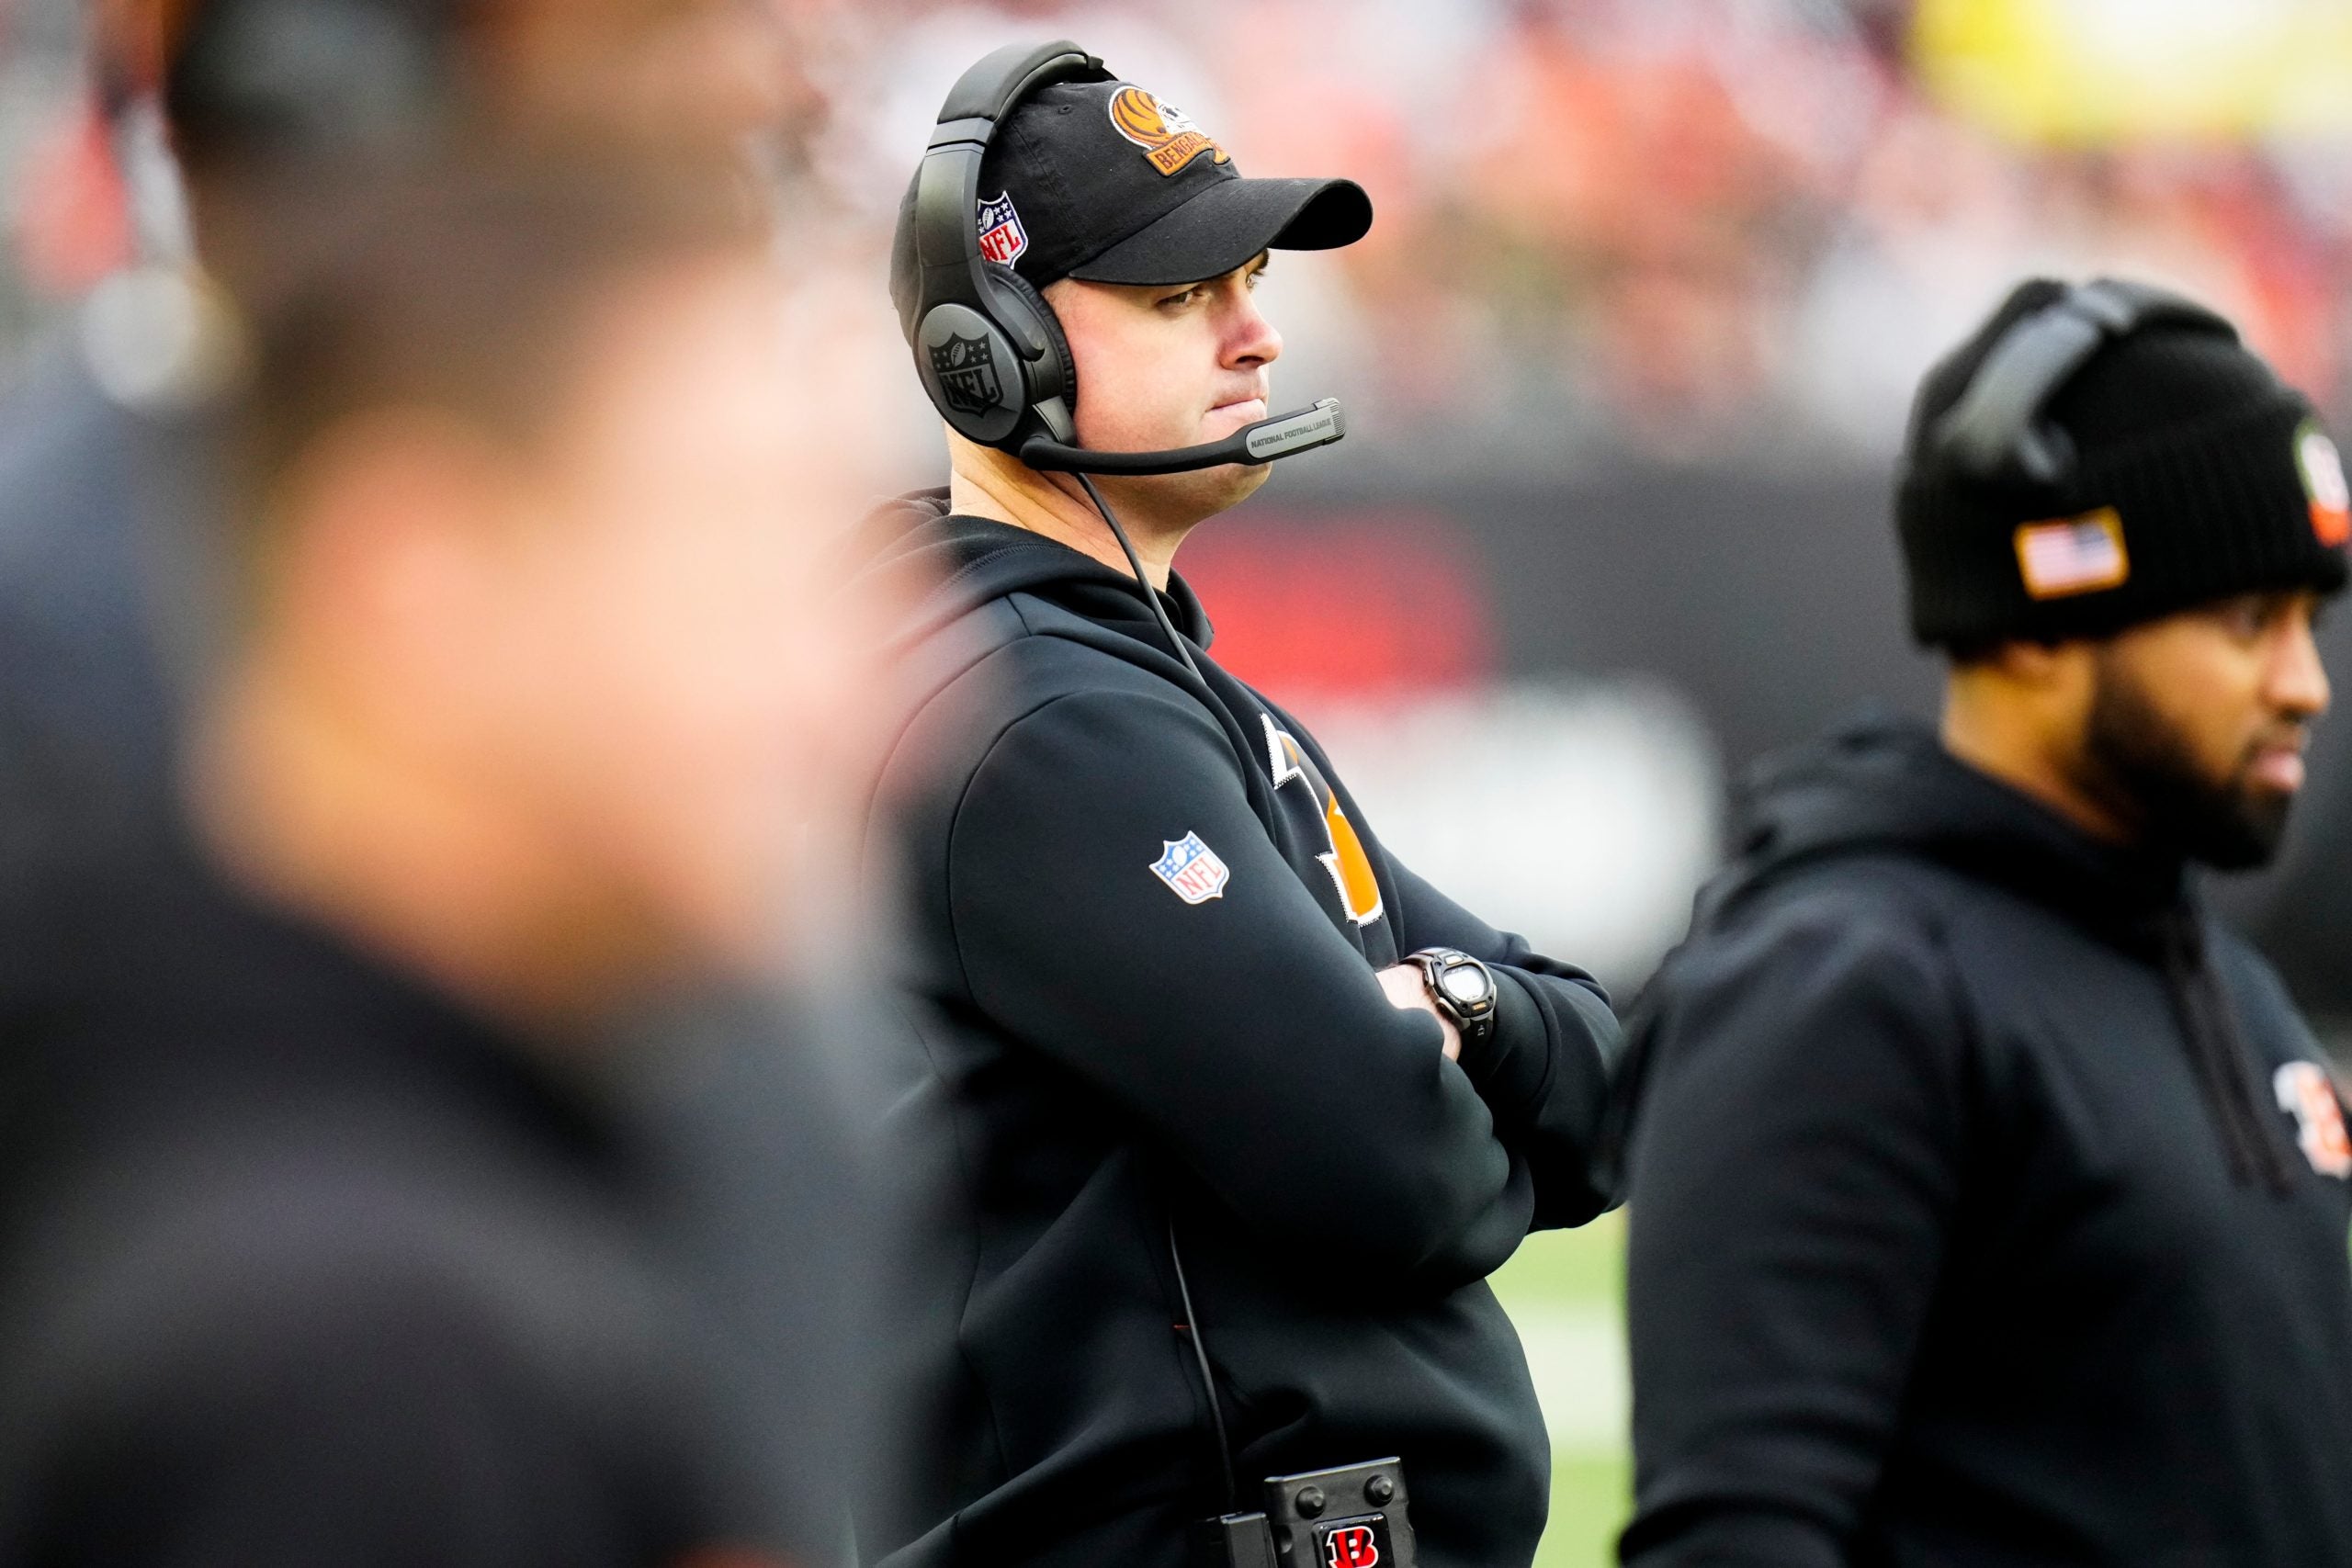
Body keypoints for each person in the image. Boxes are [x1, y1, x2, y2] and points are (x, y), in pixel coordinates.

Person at [0, 152, 873, 1567]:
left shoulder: (197, 1154)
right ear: (415, 575)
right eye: (749, 545)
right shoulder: (360, 1363)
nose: (862, 688)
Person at [847, 41, 1625, 1568]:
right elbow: (1393, 1171)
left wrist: (1456, 1006)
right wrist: (1447, 1075)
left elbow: (1609, 1081)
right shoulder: (1044, 726)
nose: (1258, 334)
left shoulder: (1147, 696)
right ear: (989, 350)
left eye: (1250, 281)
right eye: (1178, 296)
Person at [1614, 278, 2352, 1566]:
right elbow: (1740, 1535)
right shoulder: (1843, 989)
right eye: (2248, 620)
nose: (2306, 685)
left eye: (2311, 623)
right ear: (2041, 617)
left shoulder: (2231, 989)